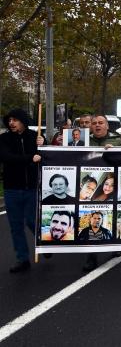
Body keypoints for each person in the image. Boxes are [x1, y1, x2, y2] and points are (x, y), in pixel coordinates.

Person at [0, 109, 42, 272]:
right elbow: (6, 157)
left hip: (31, 187)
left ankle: (43, 245)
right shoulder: (3, 139)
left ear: (23, 121)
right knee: (15, 225)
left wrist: (42, 144)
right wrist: (30, 158)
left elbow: (43, 156)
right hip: (12, 189)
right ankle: (22, 259)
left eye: (15, 120)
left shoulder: (34, 137)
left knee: (32, 220)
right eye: (9, 120)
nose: (11, 123)